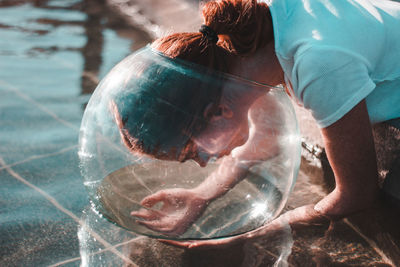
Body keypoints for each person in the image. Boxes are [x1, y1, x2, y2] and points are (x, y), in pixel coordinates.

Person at [114, 0, 400, 245]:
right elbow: (268, 137)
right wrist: (201, 195)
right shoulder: (250, 43)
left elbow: (356, 195)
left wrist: (254, 237)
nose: (203, 162)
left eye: (192, 152)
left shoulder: (318, 65)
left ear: (218, 113)